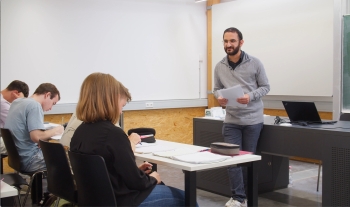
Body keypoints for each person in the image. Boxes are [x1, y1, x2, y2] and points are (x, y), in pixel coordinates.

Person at [70, 72, 189, 207]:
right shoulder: (113, 134)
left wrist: (134, 170)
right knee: (188, 199)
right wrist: (152, 179)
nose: (121, 111)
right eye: (122, 106)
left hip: (95, 201)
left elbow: (102, 174)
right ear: (110, 100)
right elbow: (136, 183)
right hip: (123, 201)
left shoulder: (79, 132)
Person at [213, 27, 270, 207]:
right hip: (231, 120)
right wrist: (219, 98)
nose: (228, 45)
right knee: (232, 160)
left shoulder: (255, 63)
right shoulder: (219, 66)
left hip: (253, 120)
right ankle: (238, 198)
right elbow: (216, 89)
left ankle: (246, 196)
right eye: (225, 41)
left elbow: (265, 87)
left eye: (232, 41)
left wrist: (250, 96)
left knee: (246, 160)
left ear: (241, 43)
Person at [4, 83, 64, 172]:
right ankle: (52, 186)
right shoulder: (35, 106)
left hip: (16, 159)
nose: (51, 108)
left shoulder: (17, 102)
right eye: (53, 103)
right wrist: (56, 130)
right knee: (64, 160)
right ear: (47, 95)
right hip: (30, 160)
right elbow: (36, 137)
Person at [1, 80, 29, 154]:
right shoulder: (2, 103)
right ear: (15, 93)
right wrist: (21, 102)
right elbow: (18, 124)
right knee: (27, 144)